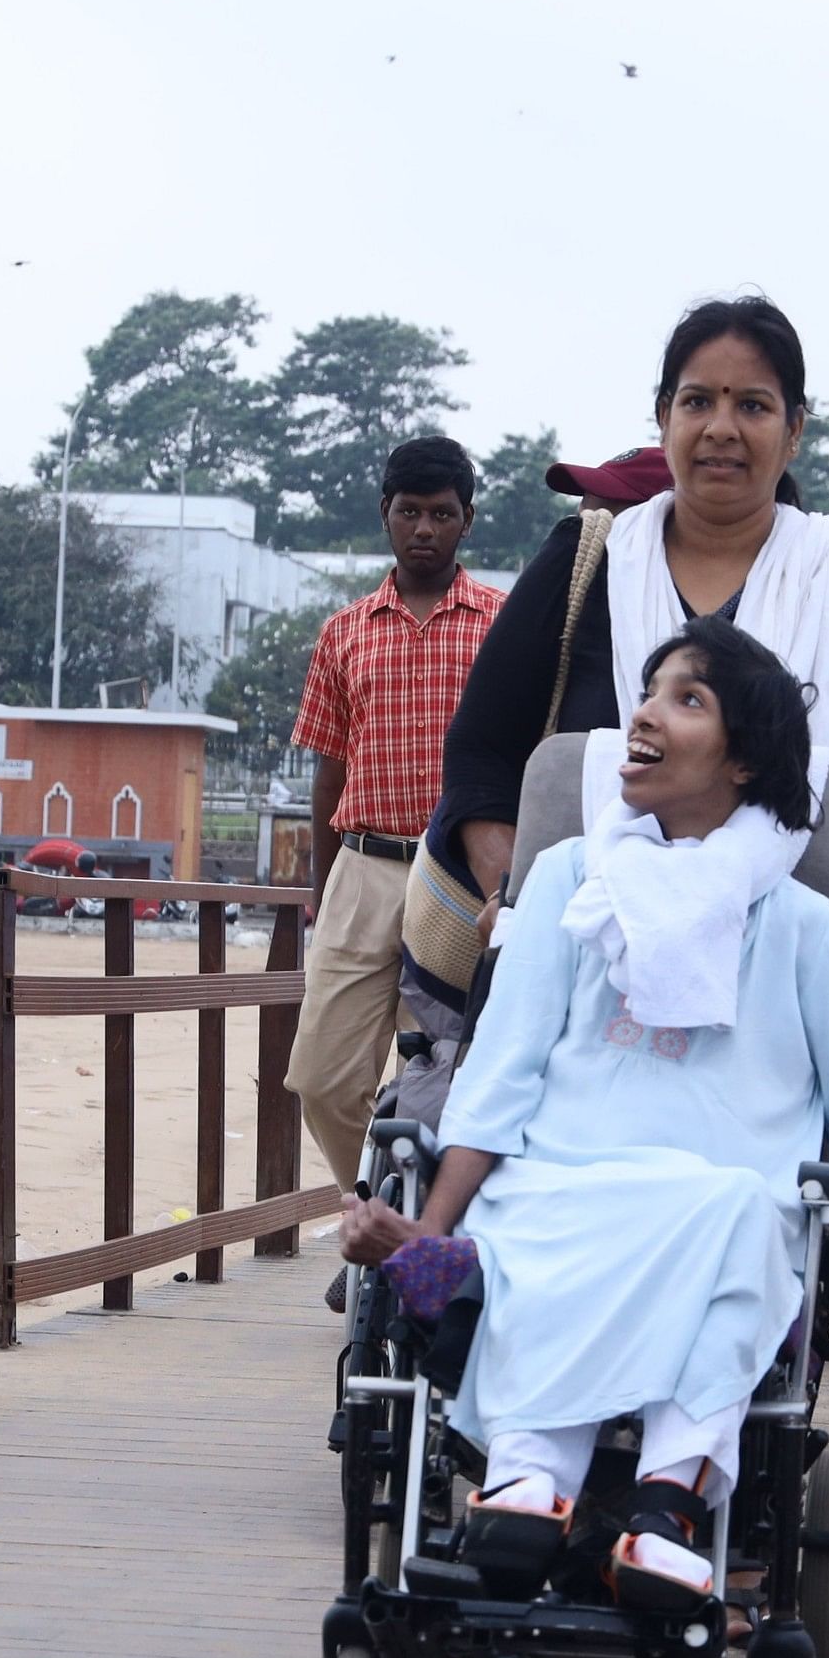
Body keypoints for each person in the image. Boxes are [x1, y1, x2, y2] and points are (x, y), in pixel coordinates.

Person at [336, 617, 829, 1596]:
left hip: (731, 1200)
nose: (643, 713)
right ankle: (525, 1484)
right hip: (561, 1182)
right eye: (647, 690)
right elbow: (501, 1075)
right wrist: (433, 1231)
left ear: (743, 759)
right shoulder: (569, 879)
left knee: (733, 1215)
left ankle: (666, 1505)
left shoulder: (810, 932)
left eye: (686, 699)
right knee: (532, 1226)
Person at [431, 298, 829, 983]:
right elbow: (480, 753)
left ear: (794, 429)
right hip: (583, 963)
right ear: (663, 418)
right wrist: (514, 891)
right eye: (696, 401)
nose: (721, 427)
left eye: (752, 405)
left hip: (785, 975)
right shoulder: (587, 564)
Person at [283, 436, 506, 1188]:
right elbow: (326, 770)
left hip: (459, 879)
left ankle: (408, 1240)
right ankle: (373, 1209)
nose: (423, 529)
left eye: (441, 514)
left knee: (443, 1079)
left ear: (467, 520)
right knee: (321, 1075)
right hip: (363, 866)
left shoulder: (501, 626)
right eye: (408, 512)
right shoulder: (343, 631)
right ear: (384, 514)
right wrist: (322, 890)